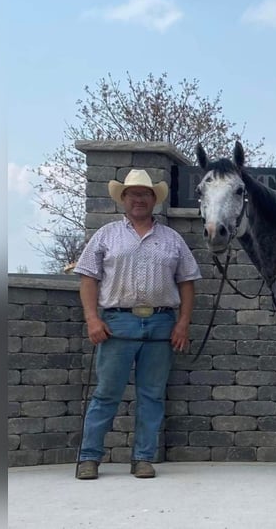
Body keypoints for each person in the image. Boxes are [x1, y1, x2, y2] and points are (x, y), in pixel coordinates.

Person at [73, 169, 201, 480]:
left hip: (161, 324)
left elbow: (186, 283)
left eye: (145, 194)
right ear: (124, 199)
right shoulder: (106, 236)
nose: (139, 199)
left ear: (154, 199)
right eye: (133, 194)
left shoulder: (173, 240)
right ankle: (89, 458)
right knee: (106, 394)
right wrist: (92, 319)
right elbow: (88, 278)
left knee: (152, 395)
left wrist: (182, 323)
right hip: (117, 323)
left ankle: (143, 458)